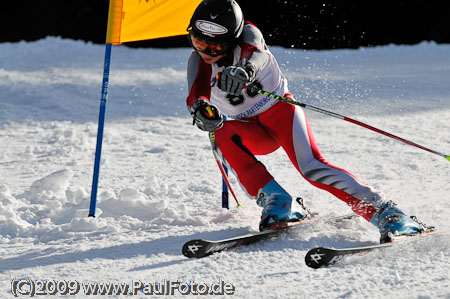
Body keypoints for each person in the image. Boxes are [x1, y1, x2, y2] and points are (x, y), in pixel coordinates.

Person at [185, 0, 430, 242]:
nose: (206, 52)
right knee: (220, 132)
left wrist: (245, 70)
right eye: (198, 42)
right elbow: (196, 96)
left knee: (312, 167)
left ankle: (388, 212)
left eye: (215, 48)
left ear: (231, 40)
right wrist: (202, 110)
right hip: (252, 129)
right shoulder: (198, 62)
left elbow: (256, 54)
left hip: (281, 113)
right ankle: (279, 201)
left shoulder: (248, 34)